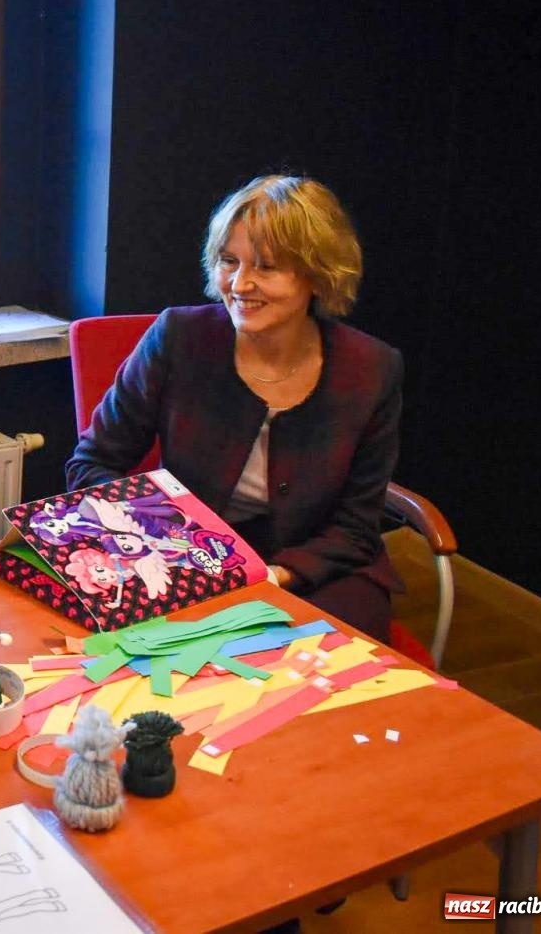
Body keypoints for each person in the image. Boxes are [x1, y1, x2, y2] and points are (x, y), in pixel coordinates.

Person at [65, 175, 404, 640]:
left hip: (317, 568)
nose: (240, 284)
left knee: (323, 671)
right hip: (184, 555)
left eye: (266, 267)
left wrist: (277, 575)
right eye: (229, 261)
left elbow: (356, 526)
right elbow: (93, 463)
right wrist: (158, 539)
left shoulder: (372, 370)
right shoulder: (179, 337)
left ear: (317, 274)